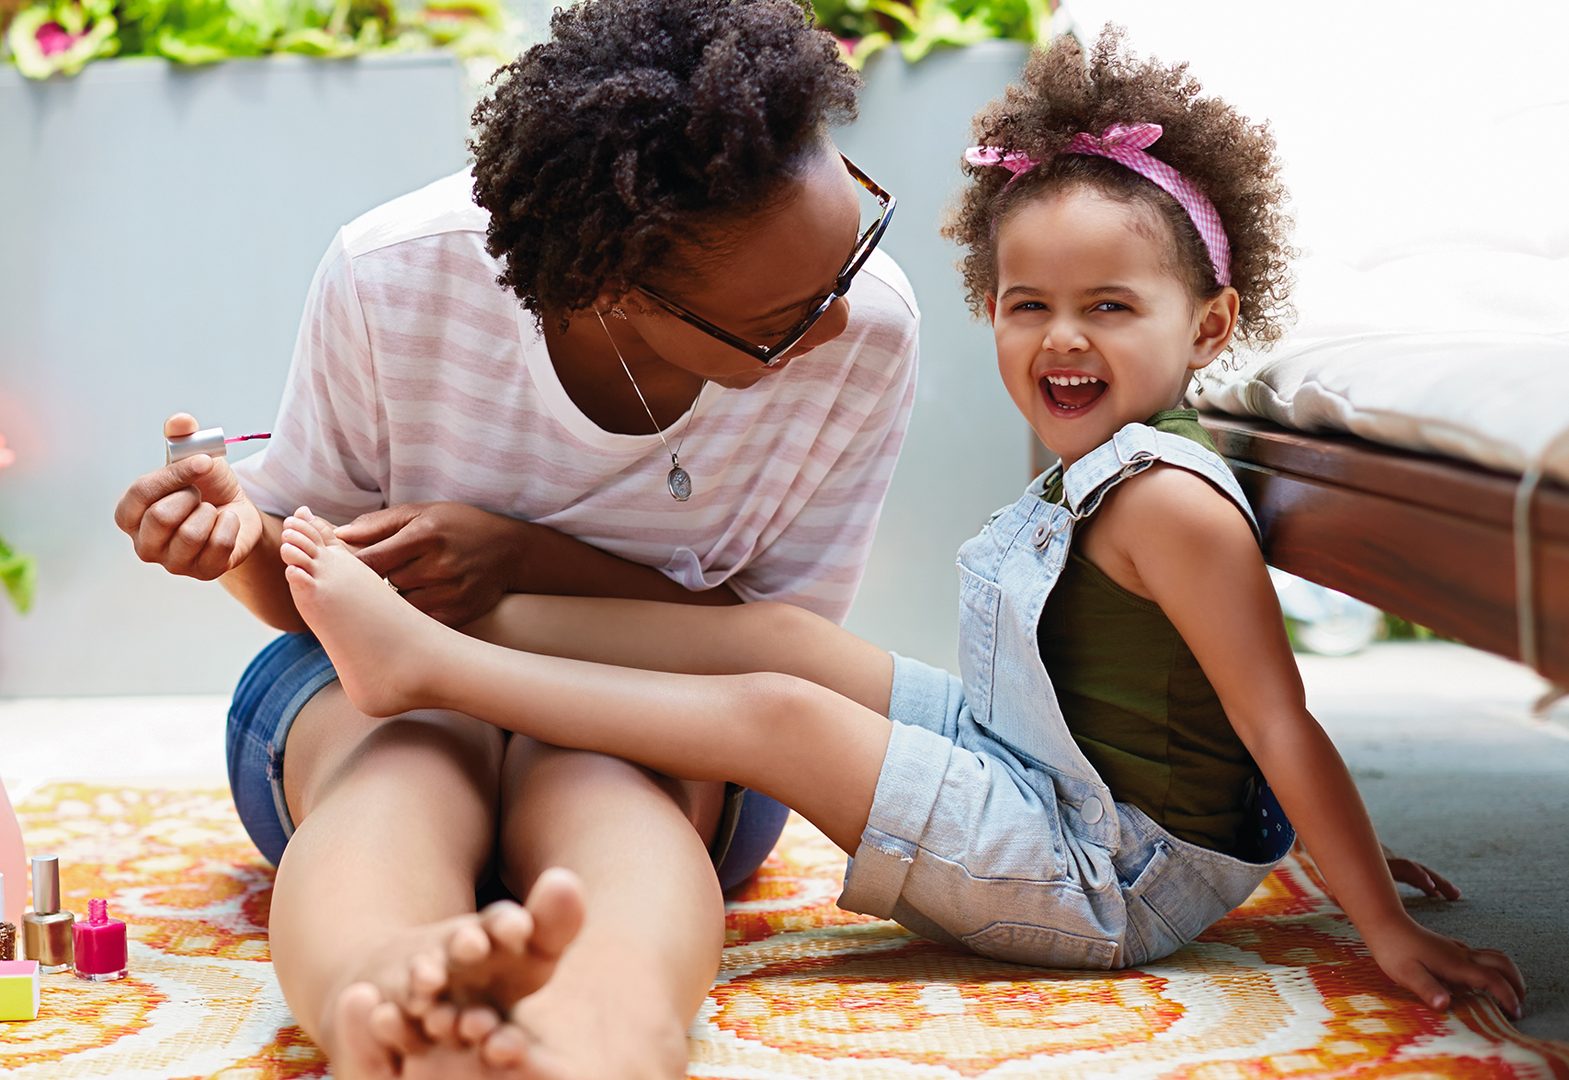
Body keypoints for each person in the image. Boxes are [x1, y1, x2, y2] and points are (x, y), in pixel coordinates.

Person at [267, 28, 1528, 1066]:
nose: (1059, 340)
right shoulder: (1101, 473)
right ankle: (441, 640)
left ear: (1210, 328)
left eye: (1109, 307)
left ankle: (427, 667)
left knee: (774, 706)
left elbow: (1280, 718)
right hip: (1053, 764)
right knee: (779, 643)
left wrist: (1370, 915)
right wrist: (1295, 834)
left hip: (1103, 869)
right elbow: (1212, 725)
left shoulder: (1171, 503)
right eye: (1027, 304)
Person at [111, 0, 920, 1073]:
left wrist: (525, 559)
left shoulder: (865, 330)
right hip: (369, 694)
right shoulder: (395, 273)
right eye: (783, 319)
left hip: (662, 717)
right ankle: (384, 1004)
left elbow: (771, 652)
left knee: (607, 780)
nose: (840, 321)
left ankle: (607, 1031)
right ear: (613, 290)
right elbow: (300, 591)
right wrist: (235, 535)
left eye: (854, 244)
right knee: (407, 761)